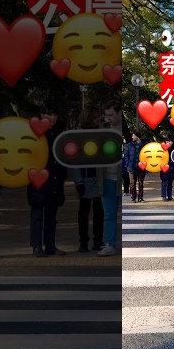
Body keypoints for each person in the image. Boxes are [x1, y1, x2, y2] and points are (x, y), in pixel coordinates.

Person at [27, 101, 67, 257]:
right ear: (42, 115)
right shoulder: (35, 132)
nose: (52, 118)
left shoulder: (59, 132)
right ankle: (36, 246)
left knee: (51, 215)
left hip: (55, 178)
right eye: (49, 114)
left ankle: (50, 245)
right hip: (38, 179)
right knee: (37, 214)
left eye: (54, 114)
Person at [71, 106, 104, 253]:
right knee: (84, 212)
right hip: (85, 177)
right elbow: (74, 160)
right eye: (97, 116)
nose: (99, 119)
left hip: (99, 177)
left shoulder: (102, 133)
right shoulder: (79, 135)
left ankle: (98, 240)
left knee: (99, 211)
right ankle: (83, 241)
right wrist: (78, 181)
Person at [99, 100, 123, 256]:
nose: (108, 118)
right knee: (109, 214)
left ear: (120, 113)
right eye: (106, 115)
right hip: (107, 178)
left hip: (122, 178)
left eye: (111, 115)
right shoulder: (102, 131)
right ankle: (110, 244)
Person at [125, 131, 146, 203]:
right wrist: (128, 163)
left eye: (133, 136)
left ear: (137, 137)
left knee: (140, 183)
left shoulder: (144, 145)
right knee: (132, 183)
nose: (132, 137)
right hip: (131, 167)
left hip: (141, 167)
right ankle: (133, 197)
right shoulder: (129, 145)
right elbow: (126, 155)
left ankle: (140, 198)